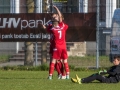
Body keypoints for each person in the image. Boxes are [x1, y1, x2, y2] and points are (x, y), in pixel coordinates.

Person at [42, 5, 70, 79]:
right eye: (53, 17)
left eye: (55, 16)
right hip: (53, 45)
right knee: (53, 60)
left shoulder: (60, 25)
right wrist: (45, 28)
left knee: (58, 60)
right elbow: (48, 30)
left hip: (57, 46)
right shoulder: (51, 25)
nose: (54, 17)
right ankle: (61, 74)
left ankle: (61, 74)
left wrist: (57, 9)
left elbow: (59, 18)